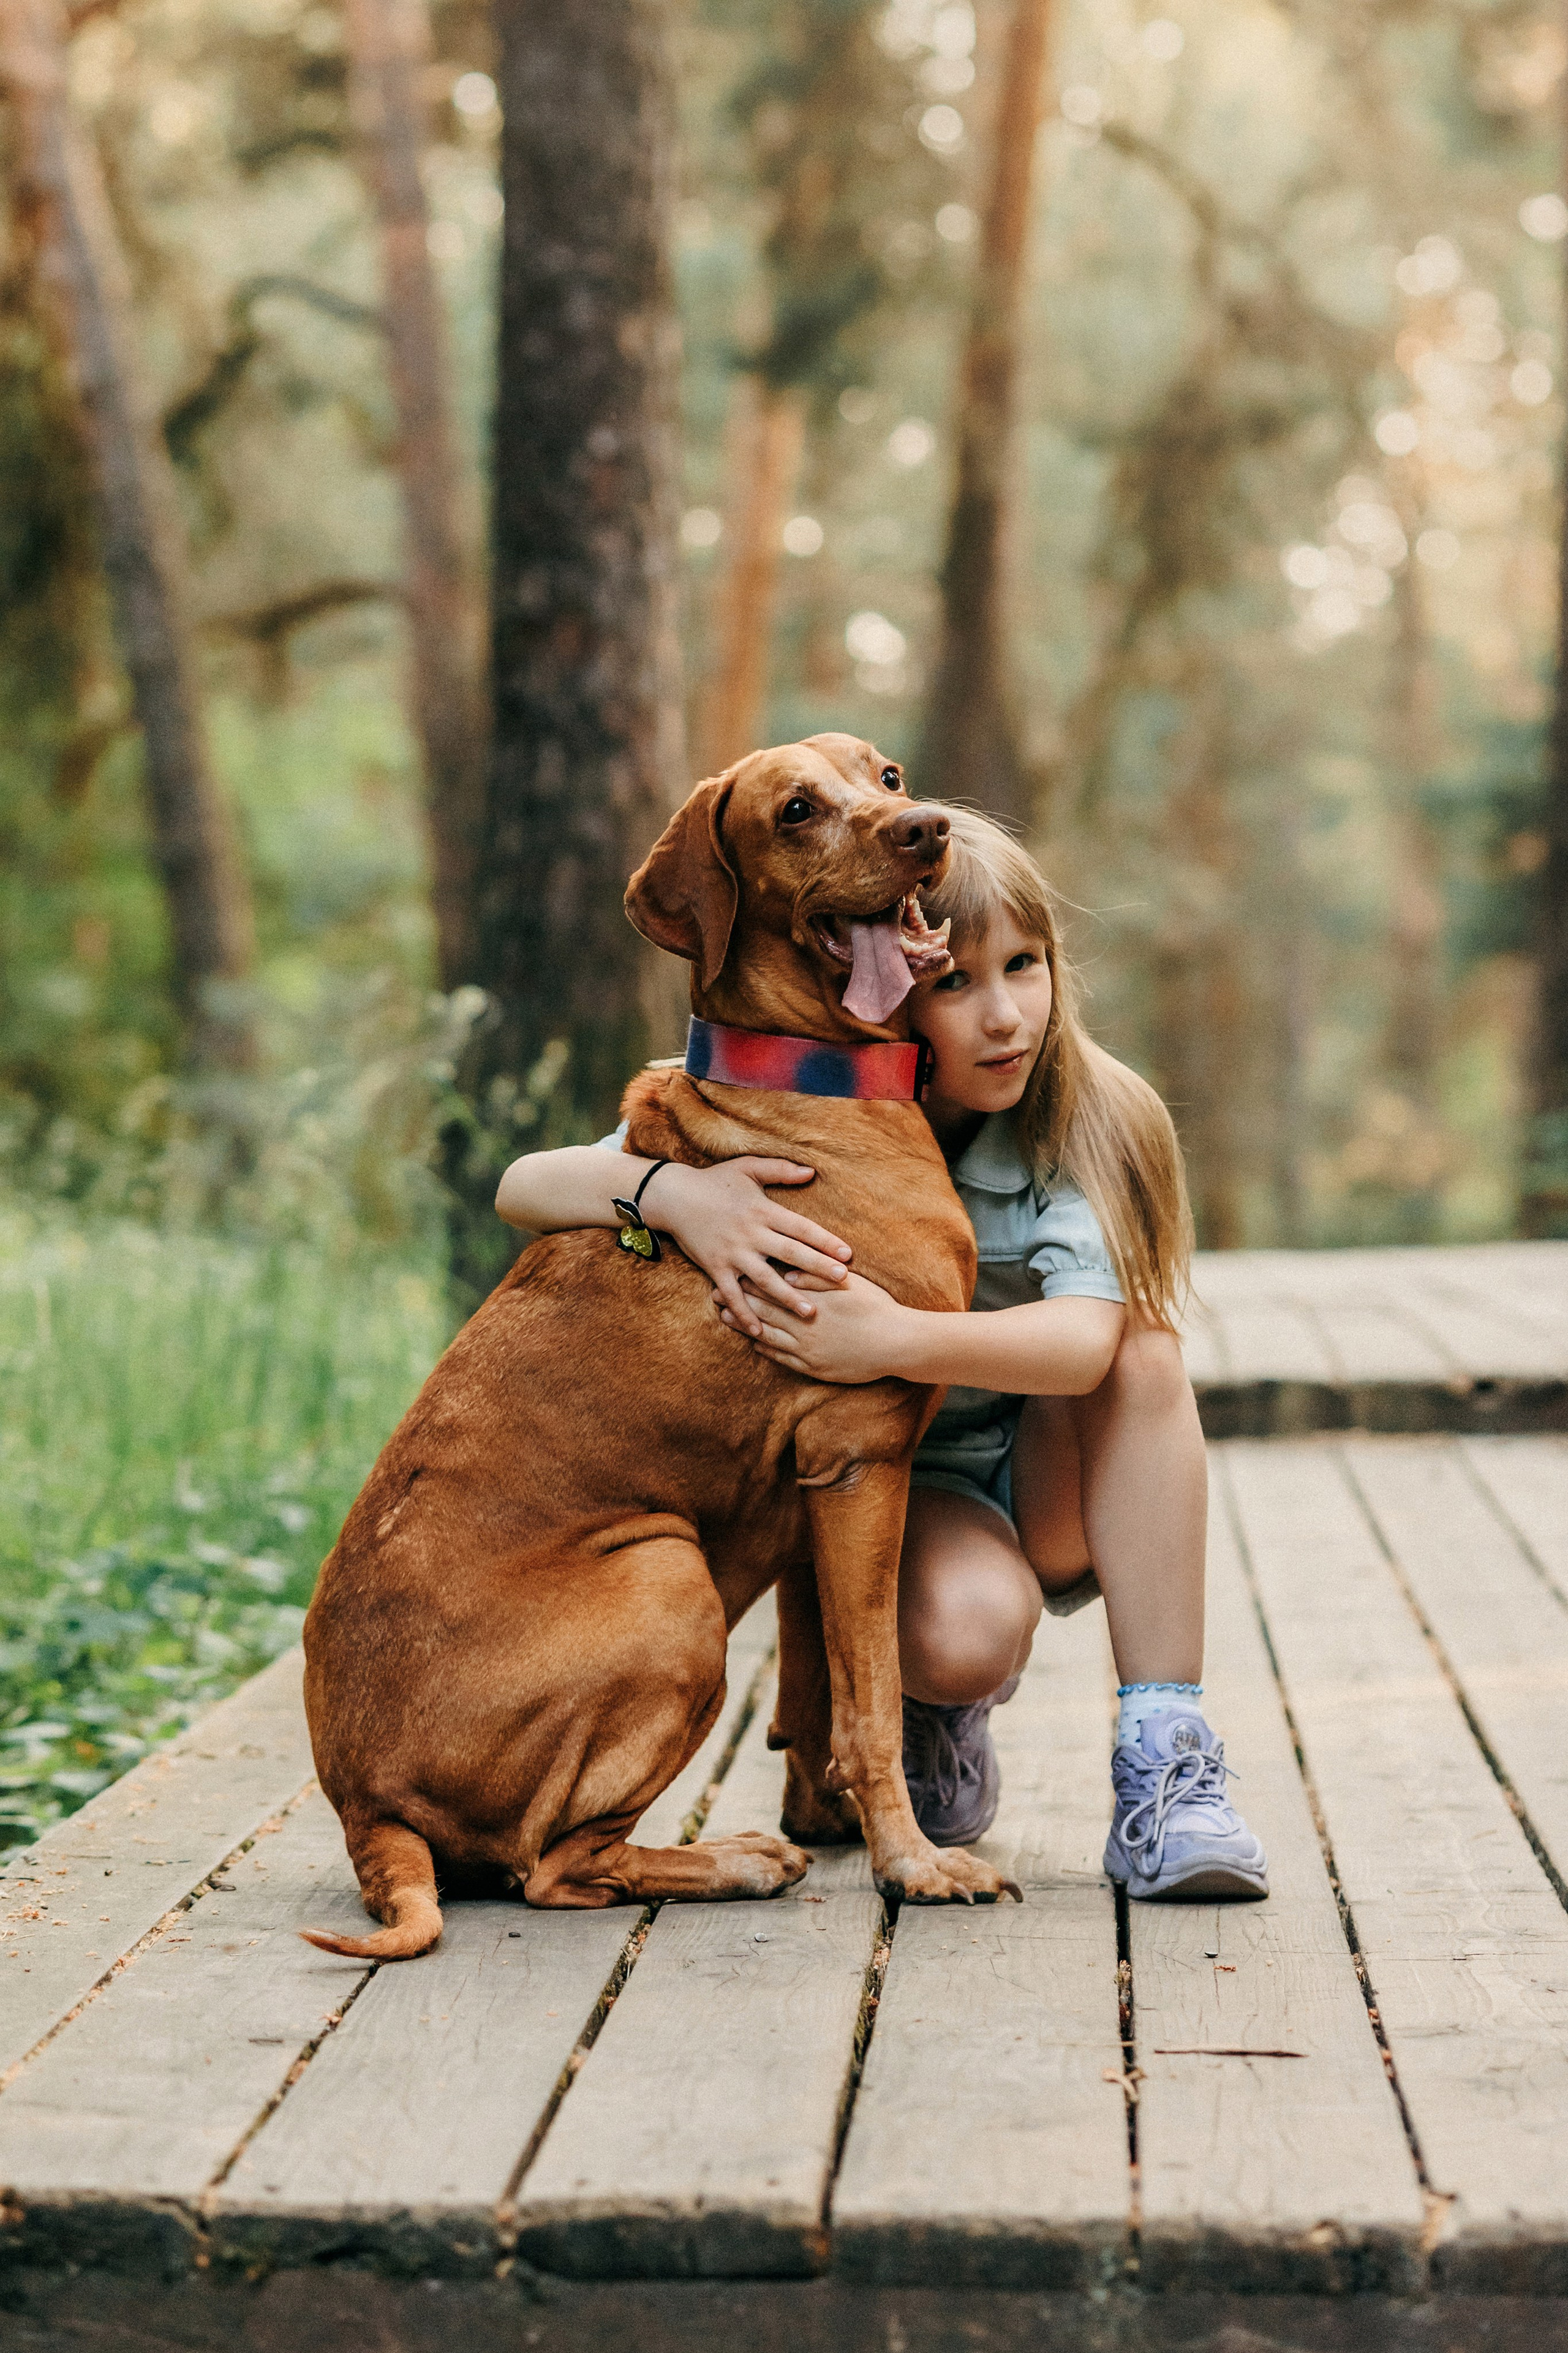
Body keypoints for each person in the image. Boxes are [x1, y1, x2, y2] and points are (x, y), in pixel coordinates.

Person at [495, 807, 1267, 1903]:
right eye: (954, 983)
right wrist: (682, 1197)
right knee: (965, 1638)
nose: (1005, 1017)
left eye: (1027, 967)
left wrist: (887, 1337)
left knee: (1142, 1347)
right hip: (916, 1491)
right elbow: (524, 1184)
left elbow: (1087, 1342)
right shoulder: (777, 1089)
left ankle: (1167, 1760)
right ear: (880, 981)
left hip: (1054, 1471)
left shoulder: (1091, 1115)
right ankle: (932, 1712)